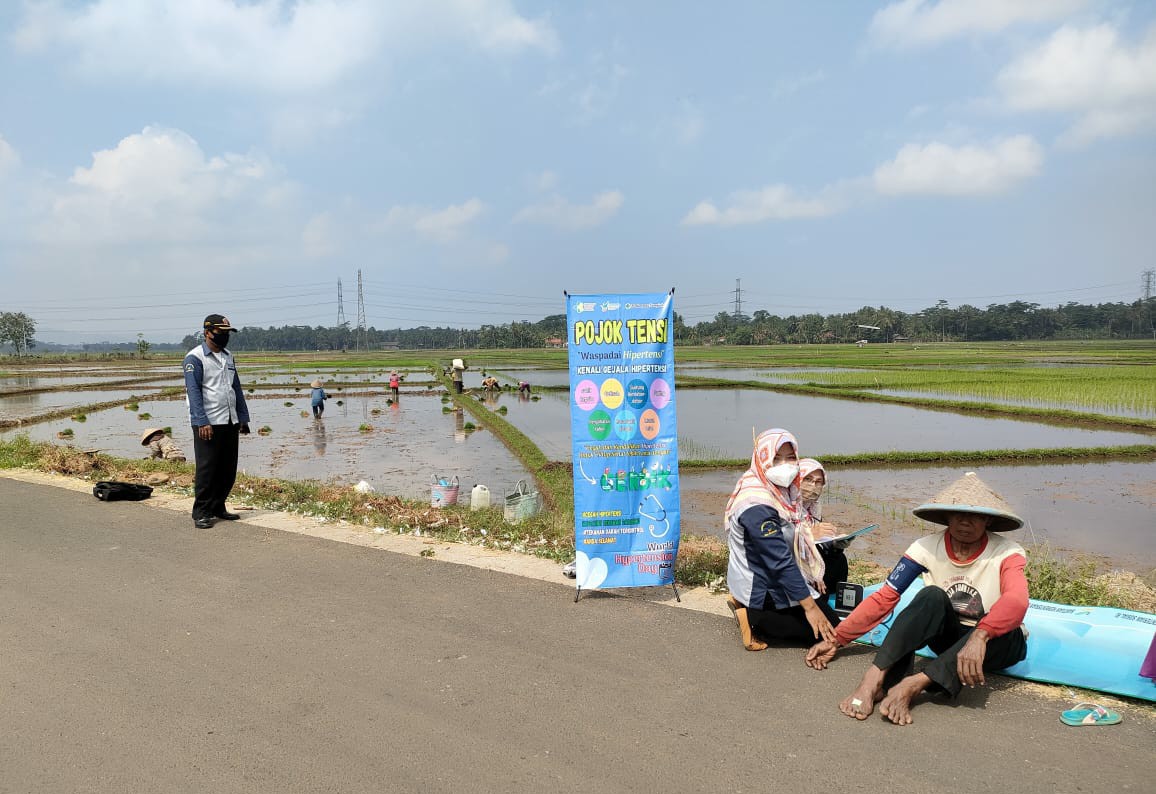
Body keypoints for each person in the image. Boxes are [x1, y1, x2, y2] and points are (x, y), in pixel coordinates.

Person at [805, 472, 1030, 726]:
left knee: (1007, 629)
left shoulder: (1007, 552)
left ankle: (914, 683)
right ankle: (874, 678)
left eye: (975, 515)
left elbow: (1017, 599)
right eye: (958, 514)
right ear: (946, 516)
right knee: (930, 595)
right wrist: (838, 637)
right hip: (948, 638)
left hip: (992, 643)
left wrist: (980, 636)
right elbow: (885, 597)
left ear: (988, 520)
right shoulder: (924, 547)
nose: (965, 522)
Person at [724, 428, 839, 652]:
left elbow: (792, 534)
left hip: (765, 577)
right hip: (763, 590)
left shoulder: (779, 490)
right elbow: (779, 561)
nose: (785, 465)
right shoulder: (757, 505)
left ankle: (750, 605)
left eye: (790, 457)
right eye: (776, 458)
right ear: (763, 459)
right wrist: (810, 608)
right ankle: (753, 619)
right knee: (833, 631)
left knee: (836, 566)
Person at [184, 314, 251, 529]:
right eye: (220, 333)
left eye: (226, 333)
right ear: (207, 333)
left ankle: (218, 506)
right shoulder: (195, 358)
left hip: (229, 419)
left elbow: (236, 388)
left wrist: (243, 417)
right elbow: (194, 393)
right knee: (207, 469)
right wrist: (201, 421)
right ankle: (201, 512)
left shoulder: (228, 357)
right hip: (209, 422)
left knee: (227, 468)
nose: (224, 337)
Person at [798, 458, 849, 595]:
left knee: (839, 560)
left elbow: (818, 544)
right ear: (796, 480)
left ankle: (831, 597)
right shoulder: (786, 508)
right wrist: (808, 534)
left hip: (810, 560)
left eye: (818, 482)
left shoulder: (813, 508)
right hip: (794, 566)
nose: (813, 485)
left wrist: (835, 545)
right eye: (808, 479)